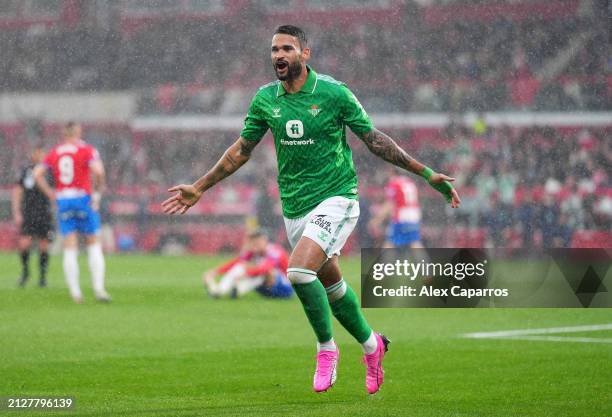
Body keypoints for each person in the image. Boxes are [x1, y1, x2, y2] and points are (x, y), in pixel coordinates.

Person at [162, 25, 460, 394]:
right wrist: (200, 187)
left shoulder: (334, 93)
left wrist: (427, 173)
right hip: (295, 207)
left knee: (299, 272)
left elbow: (375, 140)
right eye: (274, 50)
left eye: (287, 48)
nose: (279, 56)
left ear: (305, 54)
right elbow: (242, 149)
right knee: (331, 285)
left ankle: (326, 349)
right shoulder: (265, 99)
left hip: (337, 197)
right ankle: (373, 346)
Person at [33, 122, 111, 304]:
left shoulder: (55, 152)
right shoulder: (86, 150)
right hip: (83, 198)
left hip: (63, 200)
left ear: (63, 133)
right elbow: (99, 172)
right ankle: (99, 289)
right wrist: (97, 194)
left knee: (70, 245)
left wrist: (50, 193)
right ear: (78, 132)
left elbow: (37, 174)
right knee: (93, 243)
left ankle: (76, 293)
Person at [203, 230, 292, 299]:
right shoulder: (253, 252)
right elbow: (237, 262)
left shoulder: (274, 251)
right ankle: (221, 290)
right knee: (242, 266)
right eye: (252, 242)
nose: (254, 244)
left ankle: (238, 288)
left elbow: (265, 268)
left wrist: (247, 273)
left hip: (284, 289)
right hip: (266, 290)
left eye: (257, 241)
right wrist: (215, 272)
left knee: (267, 271)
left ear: (264, 240)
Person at [12, 145, 54, 288]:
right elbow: (17, 191)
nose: (38, 155)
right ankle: (25, 272)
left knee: (44, 245)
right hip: (28, 212)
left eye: (41, 152)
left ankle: (42, 277)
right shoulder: (26, 171)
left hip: (44, 212)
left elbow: (54, 193)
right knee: (24, 244)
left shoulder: (50, 171)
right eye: (36, 152)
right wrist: (17, 211)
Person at [369, 167, 424, 248]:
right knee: (414, 242)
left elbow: (389, 203)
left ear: (392, 171)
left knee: (390, 241)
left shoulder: (394, 183)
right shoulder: (409, 182)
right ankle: (424, 260)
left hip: (402, 216)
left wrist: (377, 220)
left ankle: (384, 261)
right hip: (414, 214)